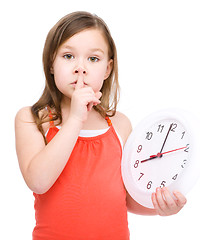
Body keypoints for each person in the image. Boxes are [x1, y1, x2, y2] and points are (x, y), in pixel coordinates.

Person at [15, 11, 187, 240]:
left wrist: (160, 207)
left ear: (107, 69)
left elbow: (127, 199)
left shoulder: (120, 124)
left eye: (93, 59)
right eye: (68, 56)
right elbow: (38, 181)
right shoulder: (33, 119)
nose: (80, 68)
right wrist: (75, 119)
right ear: (51, 64)